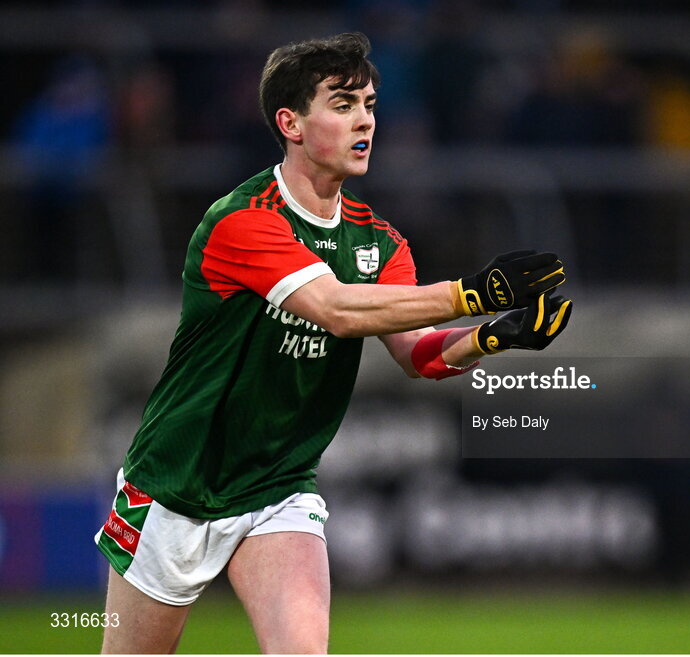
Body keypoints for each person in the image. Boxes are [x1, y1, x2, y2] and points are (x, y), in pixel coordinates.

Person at [94, 32, 572, 654]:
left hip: (279, 487)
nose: (365, 120)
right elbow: (336, 310)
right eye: (343, 104)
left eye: (370, 104)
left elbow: (418, 354)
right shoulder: (241, 220)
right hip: (173, 487)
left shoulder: (381, 243)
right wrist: (472, 293)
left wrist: (490, 336)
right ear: (290, 122)